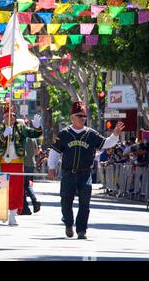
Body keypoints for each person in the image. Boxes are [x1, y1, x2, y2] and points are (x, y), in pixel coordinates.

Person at [48, 101, 124, 240]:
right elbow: (54, 152)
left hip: (85, 173)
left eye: (84, 116)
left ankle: (81, 229)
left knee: (85, 203)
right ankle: (68, 224)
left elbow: (106, 144)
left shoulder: (91, 134)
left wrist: (115, 135)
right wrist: (51, 168)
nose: (82, 118)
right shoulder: (64, 134)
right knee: (66, 201)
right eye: (79, 115)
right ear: (72, 117)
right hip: (68, 173)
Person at [0, 103, 43, 226]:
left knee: (17, 190)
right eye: (7, 116)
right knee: (3, 190)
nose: (10, 118)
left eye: (12, 116)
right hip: (3, 163)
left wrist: (37, 127)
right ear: (3, 117)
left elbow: (34, 134)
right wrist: (4, 135)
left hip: (17, 163)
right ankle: (3, 211)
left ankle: (13, 215)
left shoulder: (21, 127)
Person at [21, 137, 41, 215]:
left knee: (22, 185)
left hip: (23, 163)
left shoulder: (20, 136)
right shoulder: (32, 138)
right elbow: (36, 152)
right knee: (26, 184)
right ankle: (34, 201)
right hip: (31, 164)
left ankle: (25, 208)